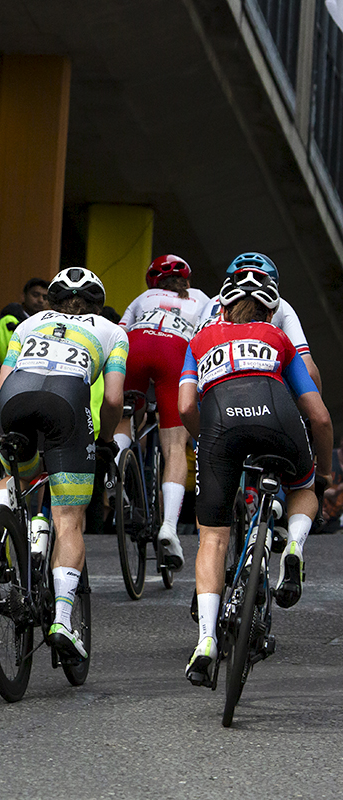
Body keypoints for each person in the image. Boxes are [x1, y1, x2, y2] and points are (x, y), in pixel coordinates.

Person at [179, 267, 332, 685]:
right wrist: (324, 474)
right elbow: (318, 415)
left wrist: (204, 443)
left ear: (223, 308)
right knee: (301, 486)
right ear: (270, 311)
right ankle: (294, 547)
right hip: (277, 420)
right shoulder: (279, 338)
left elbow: (185, 407)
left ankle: (206, 640)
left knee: (212, 537)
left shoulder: (200, 340)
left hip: (219, 429)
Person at [0, 268, 128, 662]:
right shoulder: (112, 331)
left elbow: (0, 389)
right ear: (96, 304)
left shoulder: (29, 323)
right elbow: (113, 400)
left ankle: (4, 525)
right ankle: (63, 621)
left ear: (51, 299)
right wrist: (102, 444)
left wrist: (0, 434)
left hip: (14, 401)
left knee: (17, 476)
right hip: (67, 406)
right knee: (68, 517)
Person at [114, 255, 213, 568]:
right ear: (187, 281)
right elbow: (208, 338)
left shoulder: (142, 298)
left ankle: (117, 476)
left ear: (152, 283)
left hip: (136, 344)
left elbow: (120, 331)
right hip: (176, 350)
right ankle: (169, 526)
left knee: (128, 420)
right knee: (174, 447)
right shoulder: (202, 299)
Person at [206, 252, 321, 390]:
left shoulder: (208, 303)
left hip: (214, 393)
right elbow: (308, 371)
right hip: (262, 393)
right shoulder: (281, 305)